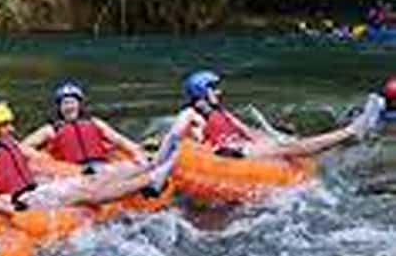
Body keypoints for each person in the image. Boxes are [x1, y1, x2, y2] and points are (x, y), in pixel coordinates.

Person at [0, 102, 174, 213]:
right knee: (88, 192)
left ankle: (151, 165)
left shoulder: (13, 146)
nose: (11, 128)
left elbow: (46, 163)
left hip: (36, 191)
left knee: (93, 178)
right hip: (21, 201)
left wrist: (79, 170)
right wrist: (0, 205)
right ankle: (150, 181)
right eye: (4, 125)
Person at [159, 70, 384, 161]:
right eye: (214, 88)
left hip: (239, 147)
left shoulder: (221, 112)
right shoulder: (192, 115)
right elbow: (179, 138)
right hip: (227, 154)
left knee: (290, 143)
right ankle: (351, 130)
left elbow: (247, 132)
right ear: (202, 92)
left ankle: (347, 139)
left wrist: (274, 137)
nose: (220, 92)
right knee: (286, 150)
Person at [23, 81, 149, 172]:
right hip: (71, 171)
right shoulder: (51, 130)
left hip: (101, 166)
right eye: (65, 103)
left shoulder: (95, 123)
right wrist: (46, 159)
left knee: (124, 167)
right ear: (60, 108)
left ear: (79, 105)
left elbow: (120, 140)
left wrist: (138, 154)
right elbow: (23, 147)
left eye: (72, 102)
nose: (69, 107)